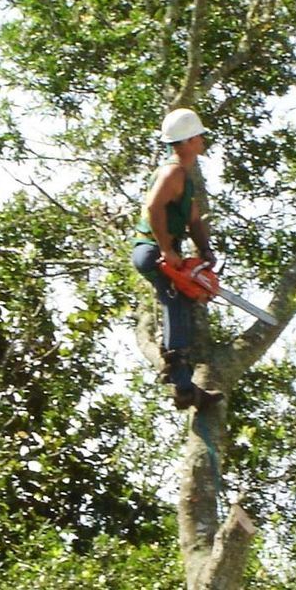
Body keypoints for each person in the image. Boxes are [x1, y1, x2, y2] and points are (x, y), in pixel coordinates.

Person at [132, 108, 224, 411]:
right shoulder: (172, 172)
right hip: (151, 250)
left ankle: (186, 387)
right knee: (175, 305)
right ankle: (182, 385)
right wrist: (168, 250)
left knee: (182, 304)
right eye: (198, 136)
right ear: (187, 141)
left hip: (159, 250)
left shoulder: (184, 176)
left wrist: (206, 251)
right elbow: (154, 207)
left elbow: (194, 220)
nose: (202, 140)